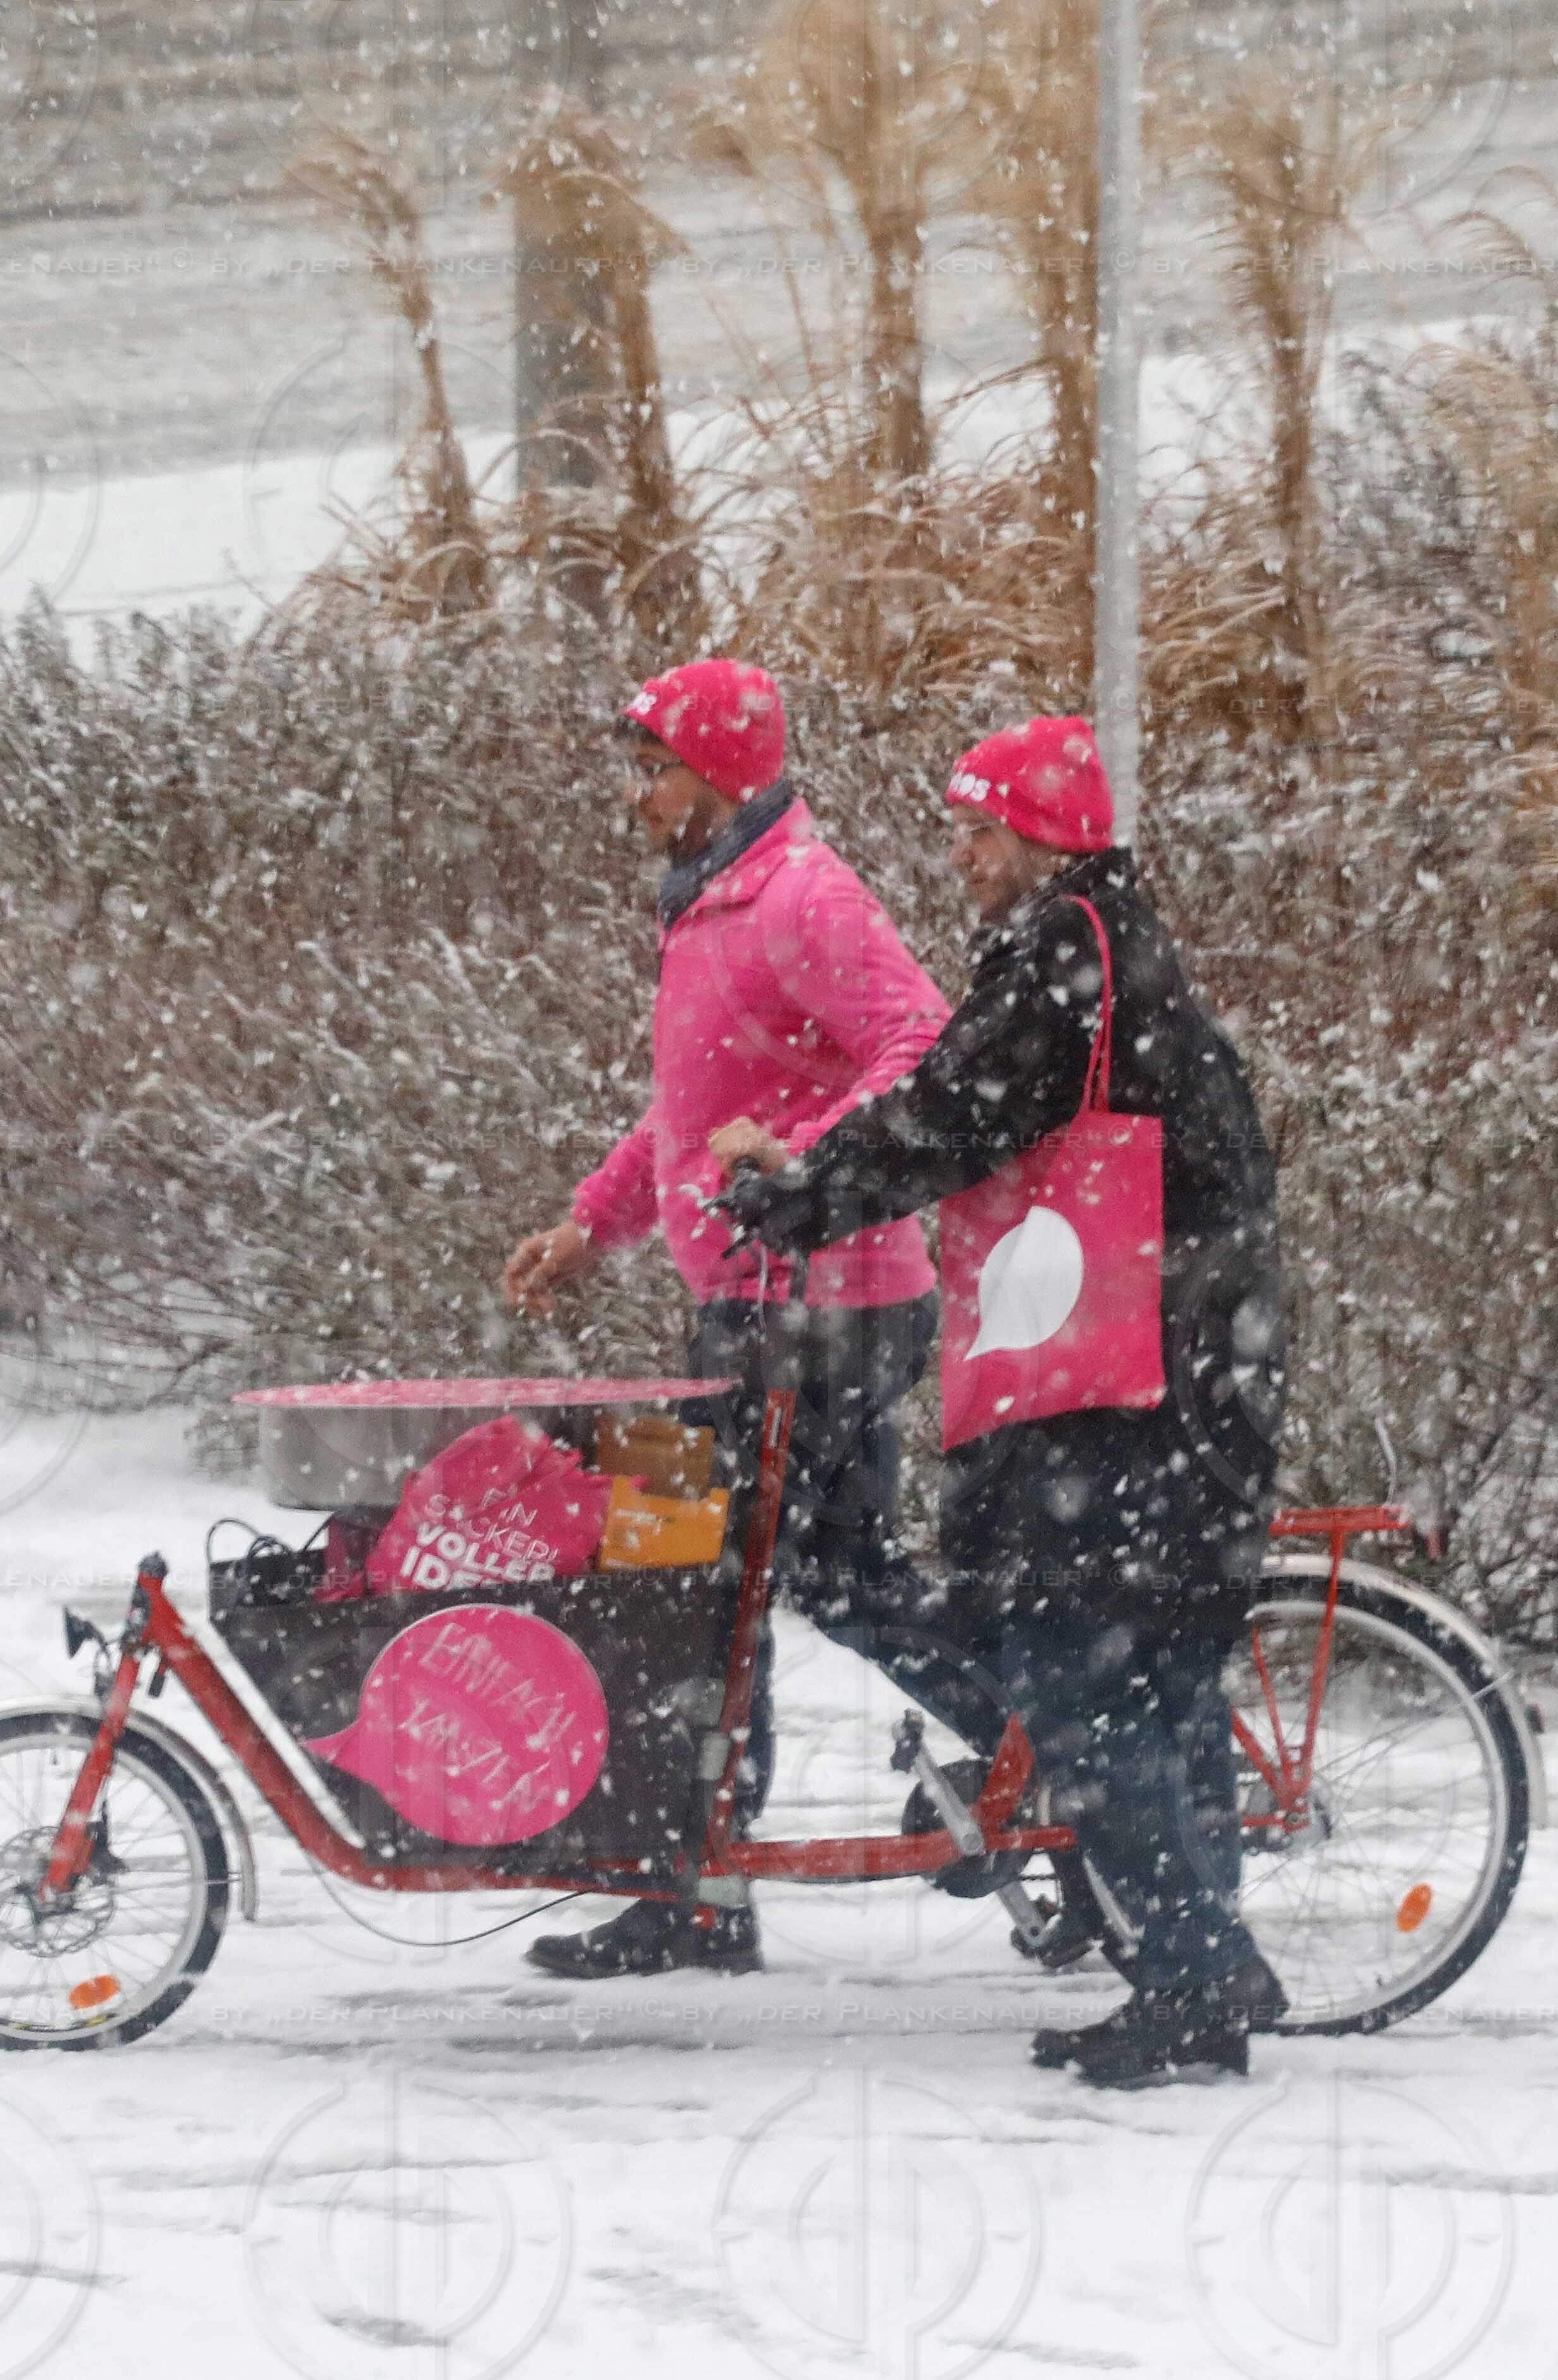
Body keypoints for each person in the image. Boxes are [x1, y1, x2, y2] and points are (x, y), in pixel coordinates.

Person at [713, 715, 1293, 2087]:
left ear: (1043, 838)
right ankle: (1211, 1958)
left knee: (1084, 1677)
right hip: (1191, 1368)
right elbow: (965, 1110)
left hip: (1124, 1383)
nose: (963, 855)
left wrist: (800, 1195)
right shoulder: (1112, 949)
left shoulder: (1064, 959)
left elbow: (948, 1115)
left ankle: (1192, 1979)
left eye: (982, 831)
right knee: (1159, 1673)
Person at [503, 656, 992, 1980]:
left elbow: (922, 1041)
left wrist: (801, 1156)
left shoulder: (799, 897)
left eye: (653, 769)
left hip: (817, 1305)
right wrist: (592, 1222)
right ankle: (1044, 1756)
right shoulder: (715, 903)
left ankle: (696, 1890)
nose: (636, 794)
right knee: (816, 1577)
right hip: (768, 1300)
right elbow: (690, 1104)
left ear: (718, 773)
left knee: (693, 1583)